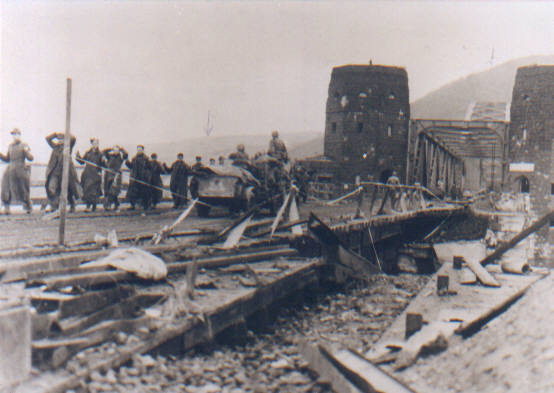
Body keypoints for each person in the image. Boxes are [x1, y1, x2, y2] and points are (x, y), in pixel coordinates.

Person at [0, 128, 33, 214]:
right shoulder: (10, 146)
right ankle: (6, 207)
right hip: (10, 168)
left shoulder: (24, 145)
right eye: (13, 135)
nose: (14, 136)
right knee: (5, 187)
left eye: (16, 134)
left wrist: (26, 152)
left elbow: (30, 158)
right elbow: (7, 159)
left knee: (23, 188)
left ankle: (28, 206)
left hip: (20, 168)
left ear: (19, 135)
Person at [44, 132, 80, 212]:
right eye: (59, 139)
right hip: (55, 172)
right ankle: (54, 206)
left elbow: (73, 139)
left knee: (69, 189)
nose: (60, 141)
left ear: (65, 140)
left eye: (62, 139)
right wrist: (55, 134)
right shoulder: (55, 147)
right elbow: (47, 139)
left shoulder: (68, 147)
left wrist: (67, 135)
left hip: (66, 172)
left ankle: (72, 204)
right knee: (51, 188)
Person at [76, 138, 103, 212]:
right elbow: (82, 162)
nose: (95, 145)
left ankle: (93, 207)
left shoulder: (100, 154)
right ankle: (88, 206)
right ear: (92, 144)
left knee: (94, 192)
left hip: (95, 175)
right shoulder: (88, 153)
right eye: (94, 143)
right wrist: (78, 157)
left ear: (98, 144)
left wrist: (104, 162)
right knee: (87, 190)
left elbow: (103, 165)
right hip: (87, 174)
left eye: (96, 143)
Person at [125, 145, 151, 211]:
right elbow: (131, 167)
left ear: (143, 150)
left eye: (140, 149)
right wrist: (127, 162)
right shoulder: (134, 158)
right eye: (138, 149)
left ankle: (146, 206)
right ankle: (132, 205)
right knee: (133, 192)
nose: (139, 151)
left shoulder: (146, 159)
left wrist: (147, 177)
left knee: (144, 193)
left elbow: (149, 169)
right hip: (135, 178)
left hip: (143, 178)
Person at [102, 145, 128, 211]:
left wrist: (121, 149)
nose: (115, 151)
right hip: (109, 175)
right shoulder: (110, 156)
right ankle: (116, 204)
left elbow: (126, 154)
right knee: (108, 190)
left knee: (114, 191)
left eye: (117, 150)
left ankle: (110, 205)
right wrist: (110, 148)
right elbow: (103, 152)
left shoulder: (120, 157)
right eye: (114, 150)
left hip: (117, 176)